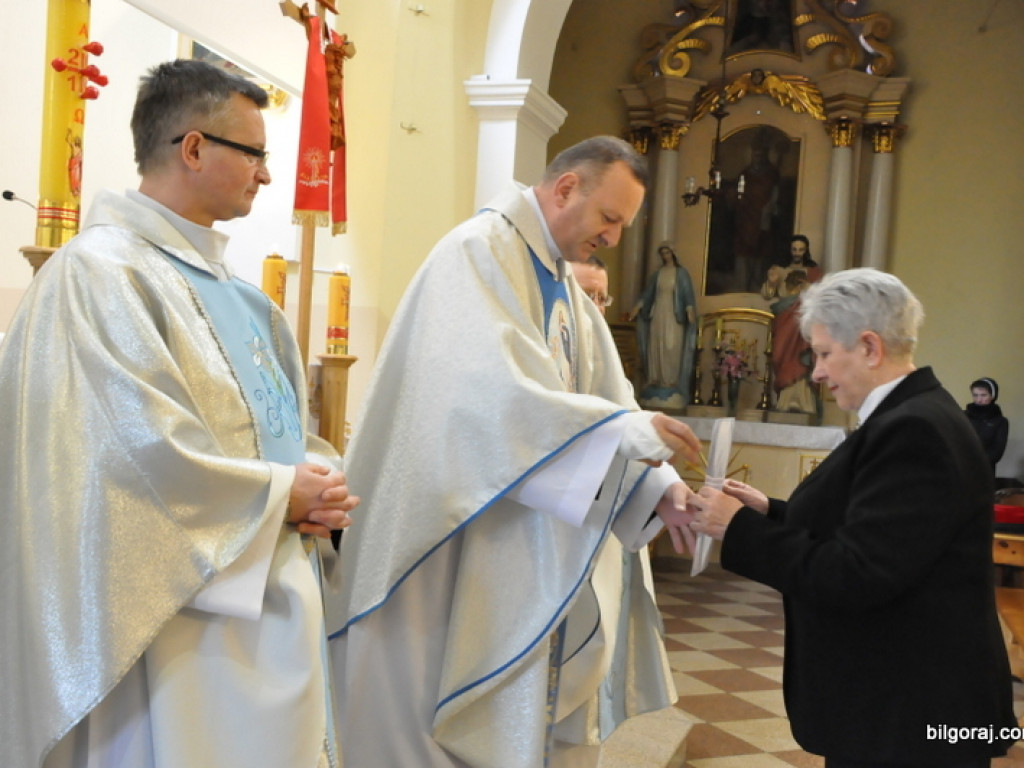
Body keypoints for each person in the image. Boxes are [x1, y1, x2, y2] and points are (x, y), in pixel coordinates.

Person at [0, 59, 358, 768]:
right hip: (172, 638)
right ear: (193, 149)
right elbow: (127, 459)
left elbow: (283, 433)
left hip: (273, 611)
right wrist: (285, 494)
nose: (265, 176)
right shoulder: (99, 274)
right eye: (254, 153)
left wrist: (323, 482)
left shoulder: (250, 301)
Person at [330, 135, 701, 768]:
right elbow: (494, 400)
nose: (614, 238)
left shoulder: (558, 282)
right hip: (444, 538)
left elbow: (608, 398)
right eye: (610, 218)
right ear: (565, 189)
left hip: (508, 538)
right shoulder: (479, 253)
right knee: (418, 704)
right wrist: (629, 437)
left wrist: (657, 486)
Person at [690, 268, 1016, 766]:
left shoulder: (914, 430)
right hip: (905, 699)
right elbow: (878, 531)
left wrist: (737, 528)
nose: (815, 372)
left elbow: (857, 574)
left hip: (911, 712)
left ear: (869, 347)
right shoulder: (914, 416)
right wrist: (770, 513)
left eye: (823, 354)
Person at [569, 255, 678, 746]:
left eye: (601, 297)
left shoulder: (604, 363)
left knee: (585, 697)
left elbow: (627, 422)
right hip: (550, 545)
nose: (593, 308)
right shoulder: (538, 355)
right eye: (582, 294)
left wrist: (667, 488)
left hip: (596, 540)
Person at [629, 241, 697, 410]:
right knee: (657, 345)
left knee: (671, 347)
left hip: (674, 316)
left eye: (667, 253)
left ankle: (670, 381)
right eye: (663, 253)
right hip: (658, 312)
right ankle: (655, 378)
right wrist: (637, 308)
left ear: (673, 254)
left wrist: (689, 310)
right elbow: (648, 293)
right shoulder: (658, 274)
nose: (665, 256)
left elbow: (687, 293)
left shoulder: (681, 273)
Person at [761, 234, 822, 413]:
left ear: (806, 251)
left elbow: (822, 295)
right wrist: (771, 282)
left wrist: (809, 288)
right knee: (781, 356)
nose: (797, 253)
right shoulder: (780, 270)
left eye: (801, 249)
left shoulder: (813, 272)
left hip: (803, 321)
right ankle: (784, 400)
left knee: (801, 360)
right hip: (784, 320)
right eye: (794, 249)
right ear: (790, 250)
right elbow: (766, 294)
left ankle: (803, 402)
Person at [966, 377, 1009, 474]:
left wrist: (974, 461)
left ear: (992, 396)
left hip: (984, 471)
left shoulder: (1000, 421)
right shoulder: (963, 416)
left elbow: (997, 452)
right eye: (975, 395)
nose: (979, 399)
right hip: (960, 468)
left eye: (983, 395)